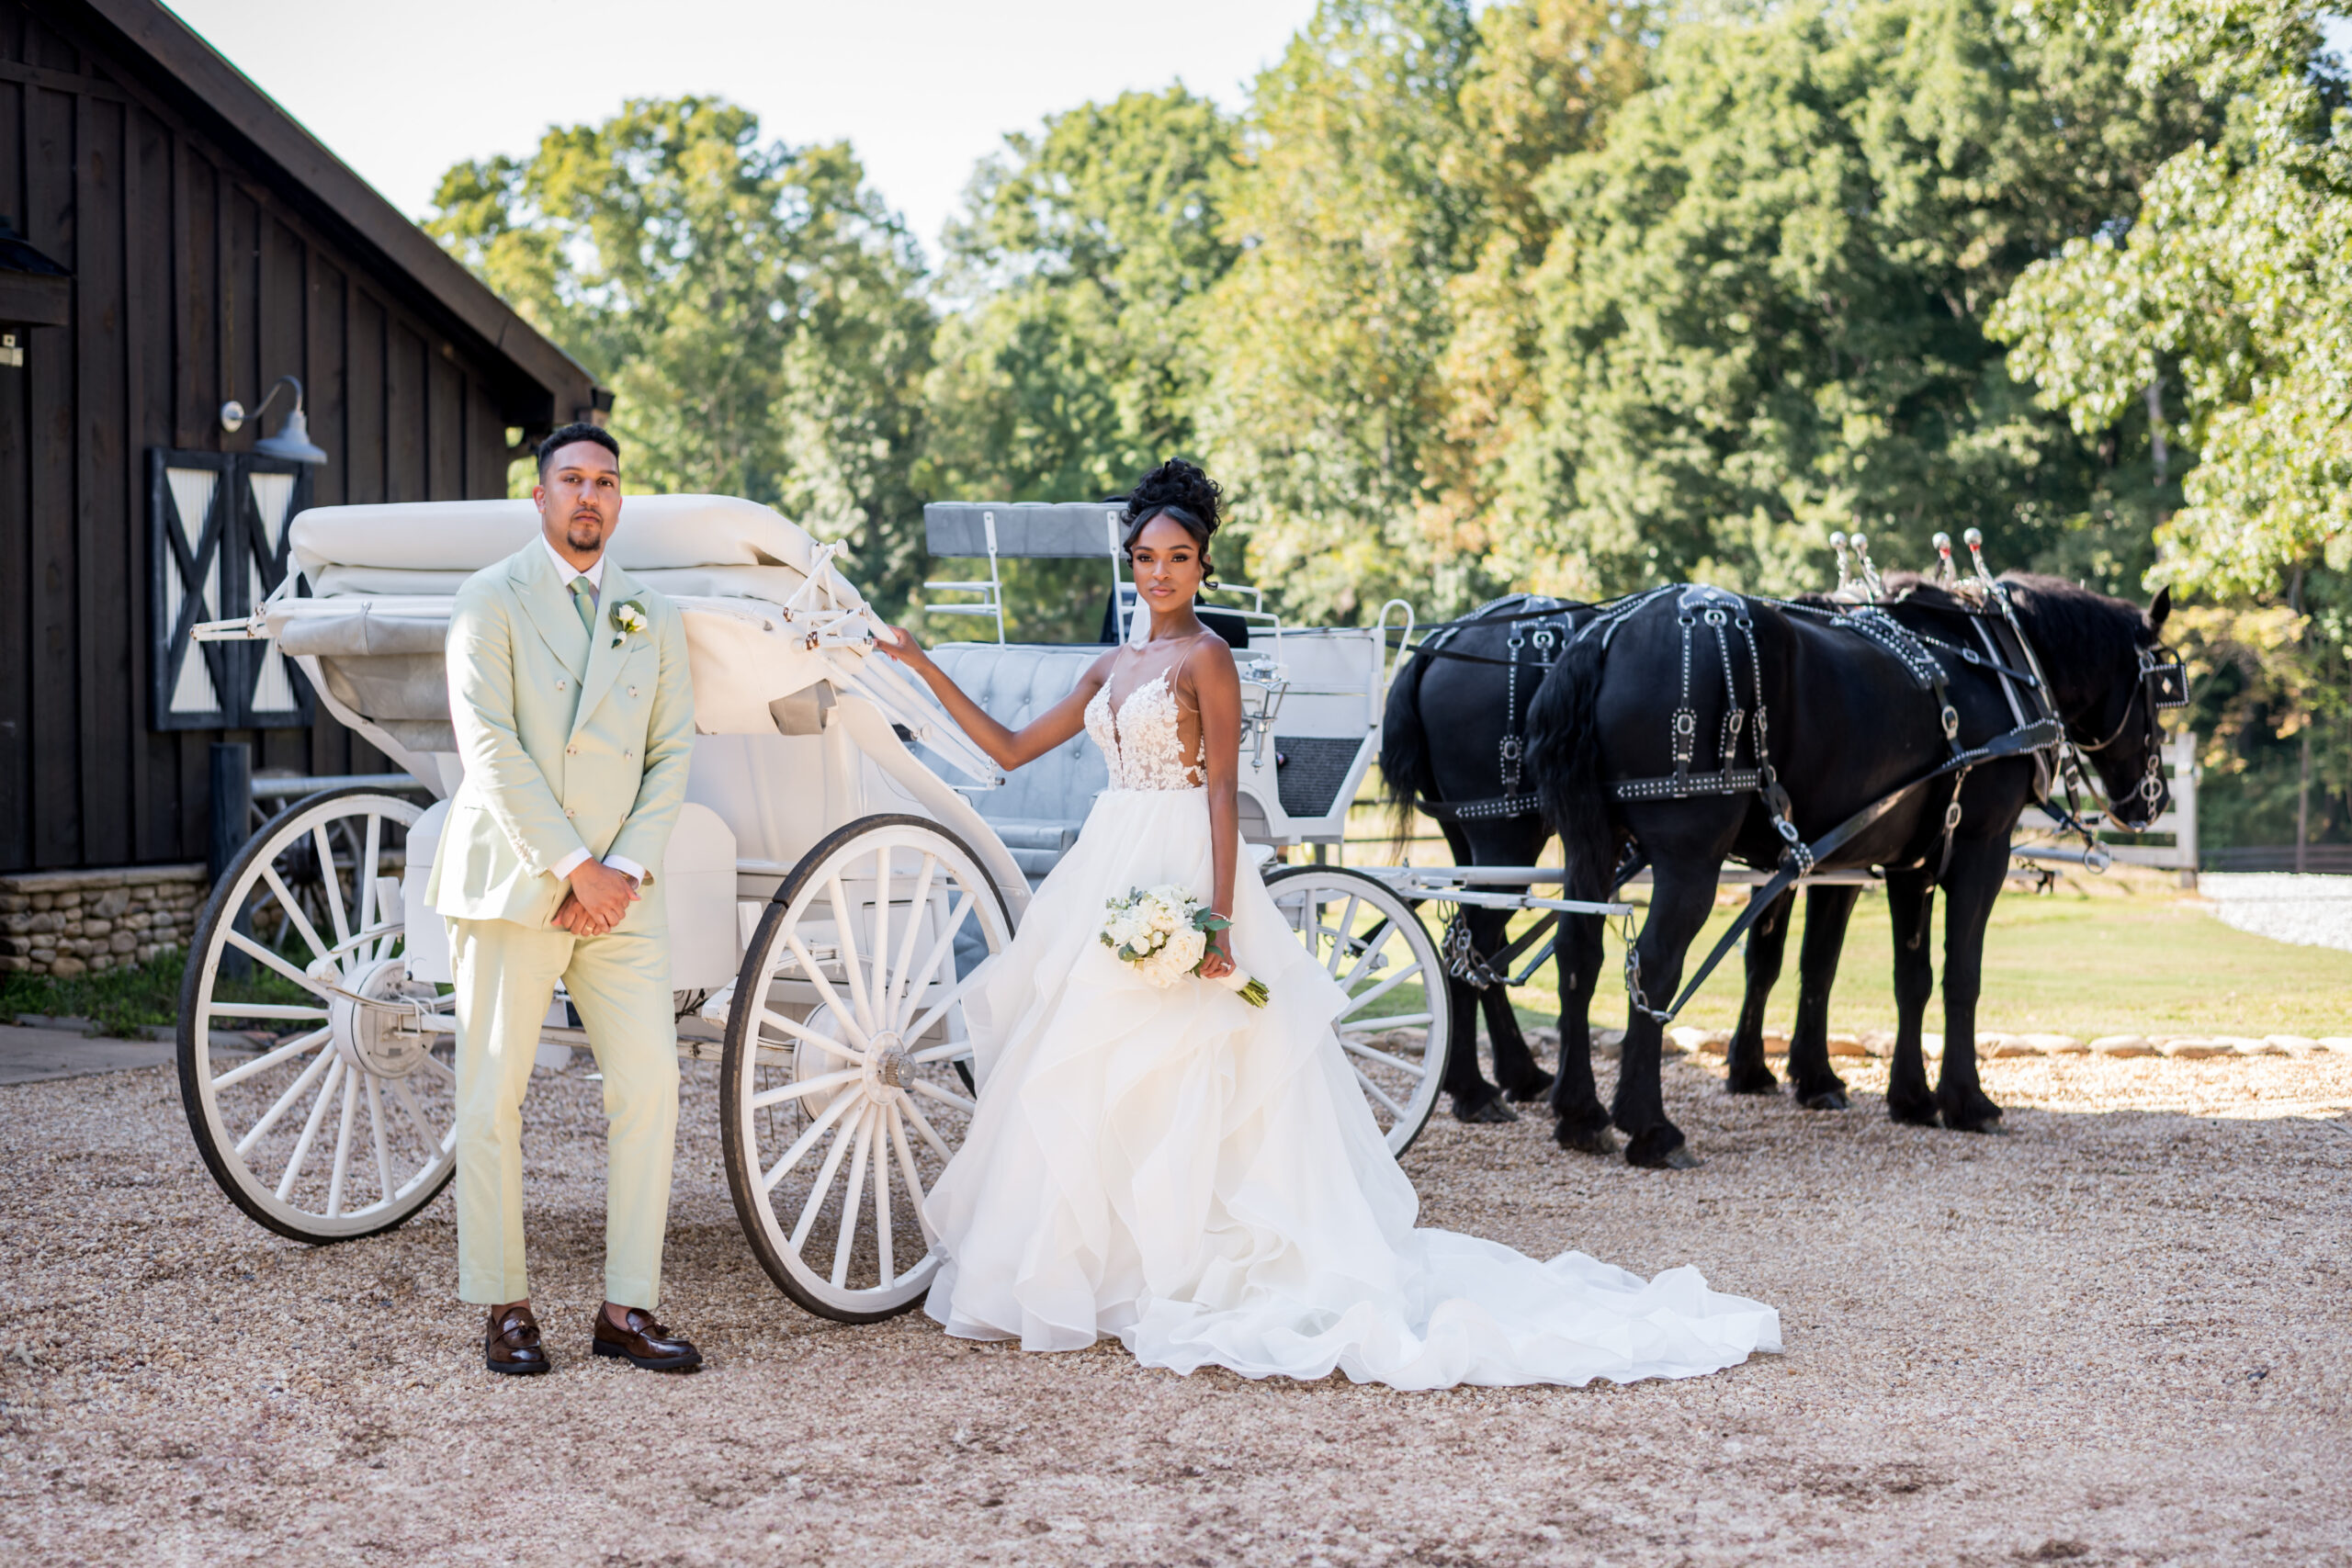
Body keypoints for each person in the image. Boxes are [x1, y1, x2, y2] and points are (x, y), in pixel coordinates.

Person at [877, 458, 1781, 1389]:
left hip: (1183, 859)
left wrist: (1218, 922)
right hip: (1106, 865)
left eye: (1178, 558)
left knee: (1193, 1060)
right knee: (1084, 1061)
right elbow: (1011, 747)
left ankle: (1190, 1260)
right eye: (1146, 557)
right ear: (1130, 562)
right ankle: (1105, 1267)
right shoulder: (1111, 665)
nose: (1160, 574)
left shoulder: (1205, 660)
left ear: (1202, 567)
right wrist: (918, 665)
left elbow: (1221, 792)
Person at [428, 423, 702, 1376]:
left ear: (620, 501)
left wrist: (620, 868)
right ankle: (504, 1306)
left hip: (622, 894)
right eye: (573, 479)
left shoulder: (650, 613)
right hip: (517, 881)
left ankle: (625, 1307)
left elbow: (672, 753)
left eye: (607, 482)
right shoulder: (486, 600)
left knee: (651, 1088)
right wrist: (572, 865)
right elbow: (489, 748)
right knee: (494, 1093)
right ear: (538, 496)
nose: (591, 495)